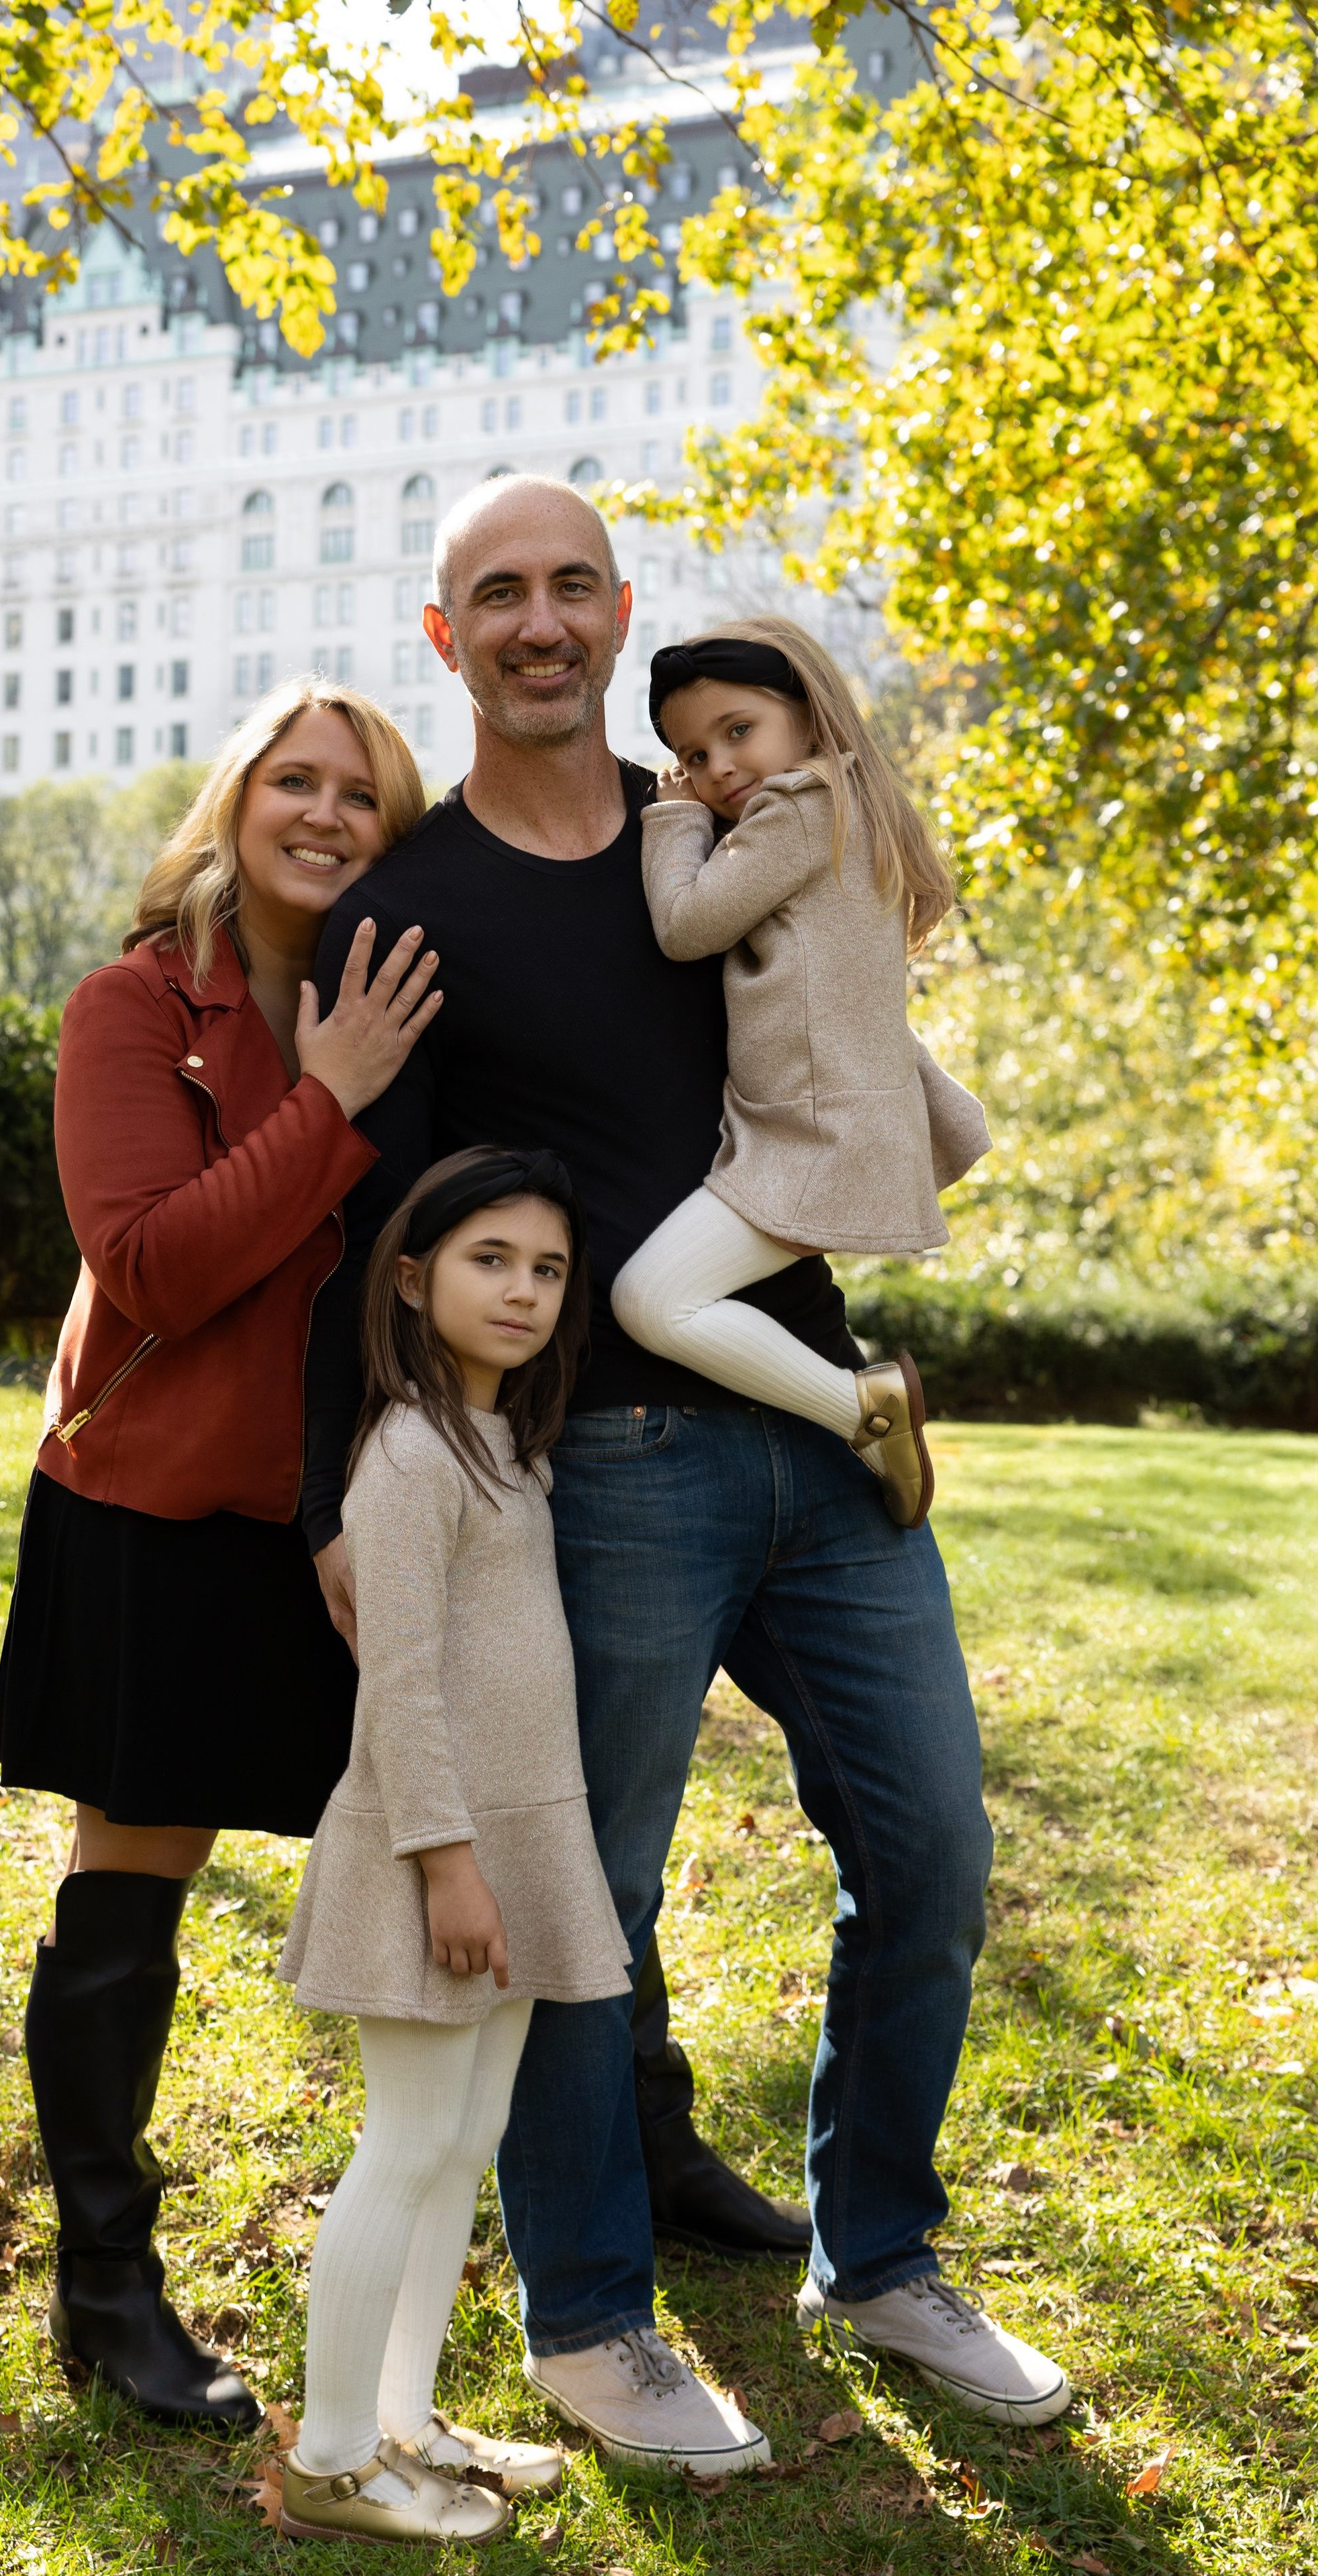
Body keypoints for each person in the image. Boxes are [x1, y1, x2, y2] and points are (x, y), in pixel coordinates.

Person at [301, 476, 1072, 2470]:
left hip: (820, 1412)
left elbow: (846, 1048)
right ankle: (589, 2321)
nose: (540, 622)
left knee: (934, 1854)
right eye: (499, 595)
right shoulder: (417, 903)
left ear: (620, 607)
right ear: (444, 634)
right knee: (590, 1898)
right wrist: (342, 1499)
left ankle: (882, 2255)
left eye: (573, 588)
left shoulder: (733, 811)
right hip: (613, 1462)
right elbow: (374, 1228)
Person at [0, 678, 442, 2431]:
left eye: (366, 797)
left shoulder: (408, 1005)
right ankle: (107, 2288)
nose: (327, 814)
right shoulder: (132, 1006)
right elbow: (158, 1263)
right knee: (133, 1881)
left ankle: (564, 2223)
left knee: (478, 1847)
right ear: (237, 801)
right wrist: (328, 1100)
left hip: (352, 1516)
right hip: (160, 1510)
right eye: (298, 781)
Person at [276, 1146, 719, 2541]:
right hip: (437, 1856)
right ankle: (332, 2459)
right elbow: (397, 1683)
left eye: (546, 1270)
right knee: (405, 2141)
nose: (523, 1291)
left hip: (518, 1847)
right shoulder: (410, 1454)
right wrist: (447, 1861)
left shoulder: (500, 1449)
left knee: (465, 2139)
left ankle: (402, 2422)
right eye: (489, 1261)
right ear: (410, 1282)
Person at [611, 620, 993, 1529]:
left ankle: (864, 1407)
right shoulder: (847, 807)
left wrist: (671, 815)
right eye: (692, 755)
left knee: (652, 1301)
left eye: (738, 731)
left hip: (816, 1136)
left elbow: (686, 923)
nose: (717, 768)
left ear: (808, 714)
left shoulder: (801, 809)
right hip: (829, 1120)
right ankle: (850, 1415)